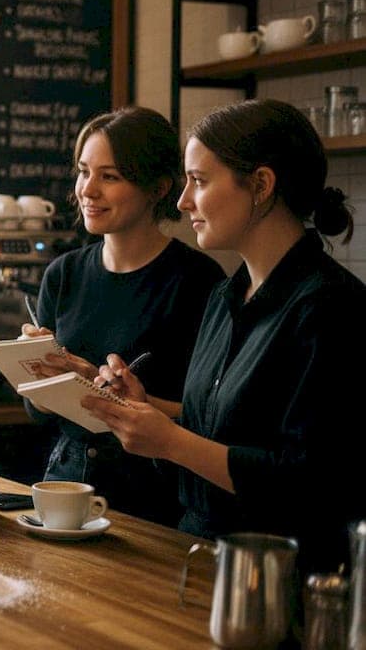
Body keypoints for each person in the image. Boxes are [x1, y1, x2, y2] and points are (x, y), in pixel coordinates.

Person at [84, 98, 366, 572]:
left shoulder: (331, 309)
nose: (182, 201)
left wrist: (170, 441)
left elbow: (311, 481)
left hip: (281, 577)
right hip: (196, 554)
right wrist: (142, 406)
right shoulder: (224, 297)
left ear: (260, 185)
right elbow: (218, 425)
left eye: (199, 180)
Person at [22, 106, 224, 526]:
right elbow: (39, 415)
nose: (87, 190)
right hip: (67, 478)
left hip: (154, 484)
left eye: (109, 177)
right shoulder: (65, 273)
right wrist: (34, 375)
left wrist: (122, 399)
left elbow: (208, 416)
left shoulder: (199, 281)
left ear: (158, 187)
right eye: (83, 172)